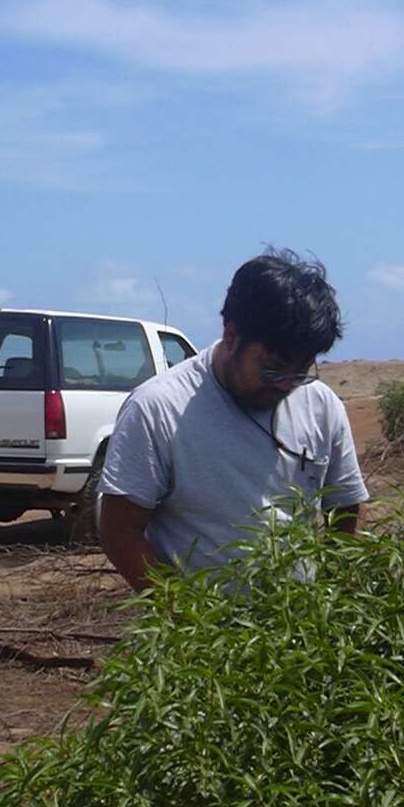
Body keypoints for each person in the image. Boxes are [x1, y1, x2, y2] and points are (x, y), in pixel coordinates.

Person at [98, 250, 369, 590]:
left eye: (301, 371)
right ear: (231, 335)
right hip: (202, 637)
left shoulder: (321, 405)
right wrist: (187, 617)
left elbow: (344, 508)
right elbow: (119, 531)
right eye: (272, 367)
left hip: (300, 633)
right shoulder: (158, 409)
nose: (286, 383)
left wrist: (332, 597)